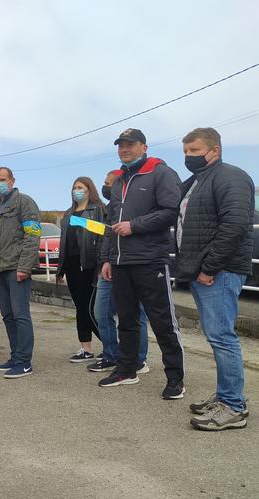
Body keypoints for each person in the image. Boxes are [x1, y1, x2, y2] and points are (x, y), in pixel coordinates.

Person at [176, 127, 255, 430]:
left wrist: (209, 267)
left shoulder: (230, 177)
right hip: (202, 271)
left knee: (222, 337)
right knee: (216, 335)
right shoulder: (199, 180)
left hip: (218, 272)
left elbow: (234, 225)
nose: (188, 157)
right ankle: (227, 396)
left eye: (194, 151)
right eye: (185, 152)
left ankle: (233, 406)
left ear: (214, 151)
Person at [99, 129, 185, 399]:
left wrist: (134, 226)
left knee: (162, 322)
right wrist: (108, 258)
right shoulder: (118, 180)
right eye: (121, 145)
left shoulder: (161, 173)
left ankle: (175, 379)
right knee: (126, 320)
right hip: (121, 263)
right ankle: (127, 369)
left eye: (130, 144)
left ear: (144, 146)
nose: (124, 149)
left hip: (150, 261)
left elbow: (171, 212)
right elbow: (110, 224)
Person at [88, 171, 150, 374]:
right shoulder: (110, 208)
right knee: (101, 312)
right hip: (109, 264)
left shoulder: (134, 205)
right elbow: (108, 235)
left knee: (135, 314)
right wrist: (105, 260)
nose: (105, 187)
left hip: (131, 264)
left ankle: (139, 360)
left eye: (109, 183)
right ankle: (111, 354)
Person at [0, 167, 41, 379]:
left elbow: (32, 236)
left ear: (12, 180)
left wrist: (24, 267)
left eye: (2, 179)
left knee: (20, 315)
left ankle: (24, 362)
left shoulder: (24, 202)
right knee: (8, 316)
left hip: (16, 268)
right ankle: (15, 355)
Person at [55, 177, 104, 362]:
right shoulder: (68, 214)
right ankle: (86, 348)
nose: (77, 190)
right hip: (72, 266)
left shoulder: (98, 210)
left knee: (90, 309)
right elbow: (64, 243)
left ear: (89, 189)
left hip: (90, 266)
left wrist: (100, 264)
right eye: (74, 187)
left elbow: (102, 237)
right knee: (80, 308)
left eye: (80, 187)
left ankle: (111, 346)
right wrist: (60, 269)